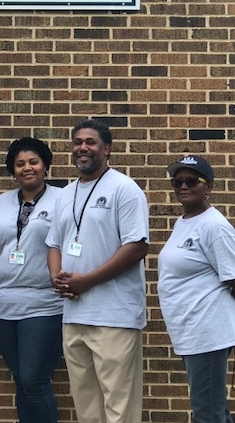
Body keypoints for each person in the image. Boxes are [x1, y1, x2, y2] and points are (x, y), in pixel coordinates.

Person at [46, 118, 149, 423]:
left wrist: (87, 281)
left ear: (107, 149)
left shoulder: (124, 189)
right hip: (74, 315)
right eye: (77, 142)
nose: (83, 148)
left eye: (90, 142)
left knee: (120, 409)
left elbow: (137, 246)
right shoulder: (65, 194)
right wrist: (57, 277)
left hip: (114, 317)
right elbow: (54, 244)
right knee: (88, 409)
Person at [0, 137, 64, 423]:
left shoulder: (62, 200)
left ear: (45, 165)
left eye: (33, 162)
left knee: (33, 380)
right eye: (20, 164)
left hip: (43, 305)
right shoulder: (2, 202)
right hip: (3, 307)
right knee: (22, 381)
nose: (27, 168)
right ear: (13, 170)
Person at [158, 155, 235, 423]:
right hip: (191, 332)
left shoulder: (214, 226)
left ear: (209, 187)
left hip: (207, 333)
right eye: (177, 181)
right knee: (212, 410)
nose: (183, 186)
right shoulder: (184, 221)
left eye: (192, 180)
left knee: (207, 413)